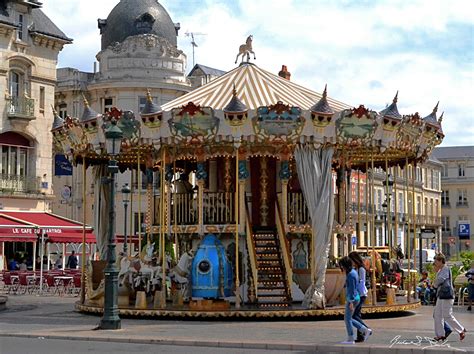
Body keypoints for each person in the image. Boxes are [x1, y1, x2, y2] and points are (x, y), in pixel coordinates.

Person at [432, 253, 466, 341]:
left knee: (447, 315)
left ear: (440, 261)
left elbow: (440, 280)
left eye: (436, 261)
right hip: (441, 295)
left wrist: (434, 284)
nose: (435, 263)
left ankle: (461, 330)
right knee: (437, 315)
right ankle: (440, 334)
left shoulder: (446, 269)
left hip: (447, 295)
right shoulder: (441, 270)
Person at [339, 256, 372, 344]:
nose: (341, 268)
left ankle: (351, 338)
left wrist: (350, 302)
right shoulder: (353, 272)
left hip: (352, 299)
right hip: (354, 298)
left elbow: (352, 289)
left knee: (348, 319)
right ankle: (364, 330)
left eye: (342, 266)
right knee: (348, 318)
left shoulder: (350, 275)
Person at [348, 251, 371, 343]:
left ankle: (366, 329)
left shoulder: (361, 269)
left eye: (351, 261)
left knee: (353, 315)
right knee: (357, 314)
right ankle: (361, 335)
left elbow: (362, 282)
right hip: (358, 294)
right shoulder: (356, 269)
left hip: (360, 294)